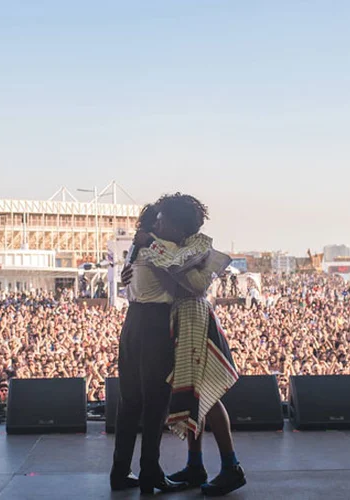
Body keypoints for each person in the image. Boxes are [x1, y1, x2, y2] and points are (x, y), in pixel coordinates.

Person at [132, 193, 246, 496]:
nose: (156, 224)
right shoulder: (179, 246)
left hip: (193, 317)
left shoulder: (196, 247)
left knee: (204, 393)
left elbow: (195, 283)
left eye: (162, 220)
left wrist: (149, 244)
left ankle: (231, 466)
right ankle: (195, 465)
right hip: (181, 317)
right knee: (193, 392)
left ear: (177, 226)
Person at [109, 204, 186, 495]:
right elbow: (178, 271)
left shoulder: (136, 247)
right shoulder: (158, 246)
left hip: (133, 321)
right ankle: (150, 472)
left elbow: (127, 279)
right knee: (156, 402)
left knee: (129, 401)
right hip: (155, 323)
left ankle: (119, 471)